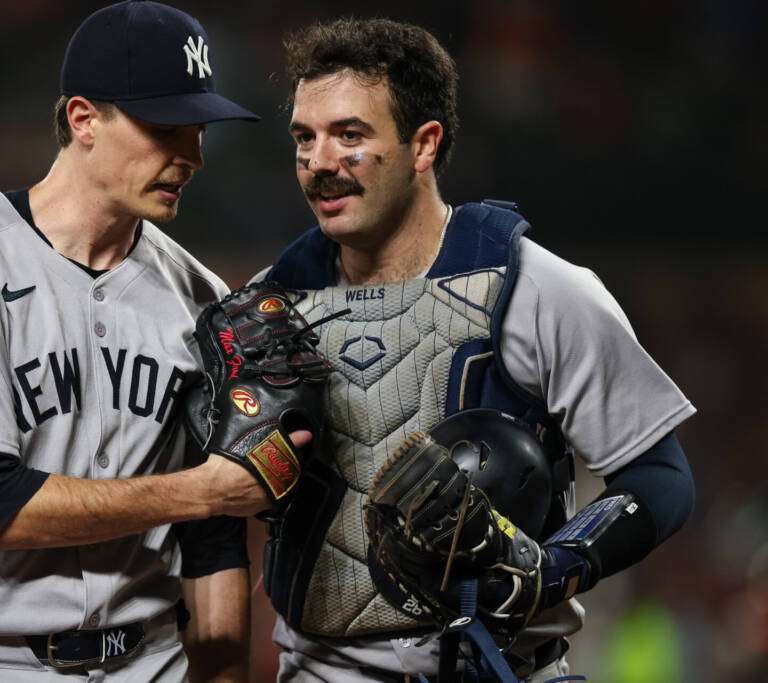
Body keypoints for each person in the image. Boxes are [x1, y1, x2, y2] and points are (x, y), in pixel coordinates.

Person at [250, 18, 696, 681]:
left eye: (350, 135)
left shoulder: (539, 289)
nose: (319, 162)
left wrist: (553, 570)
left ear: (424, 144)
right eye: (304, 138)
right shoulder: (267, 310)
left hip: (505, 668)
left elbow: (660, 478)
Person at [0, 2, 289, 681]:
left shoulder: (204, 296)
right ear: (82, 119)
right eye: (164, 126)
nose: (189, 154)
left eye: (198, 127)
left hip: (147, 659)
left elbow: (212, 543)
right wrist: (206, 489)